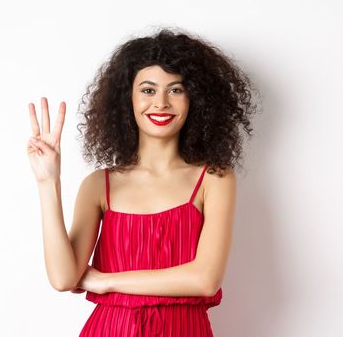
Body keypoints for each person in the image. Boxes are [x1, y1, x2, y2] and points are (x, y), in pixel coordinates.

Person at [26, 28, 258, 336]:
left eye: (176, 90)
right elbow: (64, 278)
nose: (161, 102)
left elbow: (205, 279)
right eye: (148, 90)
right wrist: (47, 181)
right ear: (128, 99)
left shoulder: (214, 178)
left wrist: (107, 281)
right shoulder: (99, 184)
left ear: (195, 99)